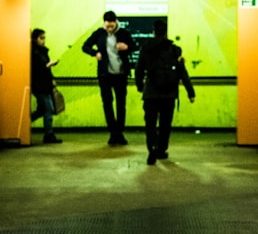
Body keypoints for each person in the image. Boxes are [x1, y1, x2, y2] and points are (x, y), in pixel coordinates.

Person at [134, 19, 195, 165]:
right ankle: (161, 150)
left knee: (150, 123)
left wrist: (140, 87)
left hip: (151, 93)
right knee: (165, 124)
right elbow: (182, 72)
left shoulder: (146, 48)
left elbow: (138, 70)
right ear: (166, 32)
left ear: (154, 32)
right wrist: (190, 92)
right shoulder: (174, 50)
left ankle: (152, 149)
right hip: (169, 94)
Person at [81, 10, 137, 145]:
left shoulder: (124, 33)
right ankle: (113, 132)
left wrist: (126, 47)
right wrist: (95, 53)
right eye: (107, 26)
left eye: (112, 26)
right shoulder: (99, 33)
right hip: (104, 75)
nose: (109, 29)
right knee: (107, 103)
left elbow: (135, 46)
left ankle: (120, 132)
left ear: (116, 22)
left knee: (120, 104)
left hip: (121, 74)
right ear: (104, 23)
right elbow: (85, 46)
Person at [30, 28, 62, 144]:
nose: (43, 41)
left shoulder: (41, 51)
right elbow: (37, 69)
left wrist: (51, 79)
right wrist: (48, 65)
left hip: (44, 84)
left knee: (42, 110)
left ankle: (26, 122)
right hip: (40, 86)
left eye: (44, 38)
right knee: (49, 109)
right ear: (35, 39)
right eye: (41, 38)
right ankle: (49, 135)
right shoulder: (34, 52)